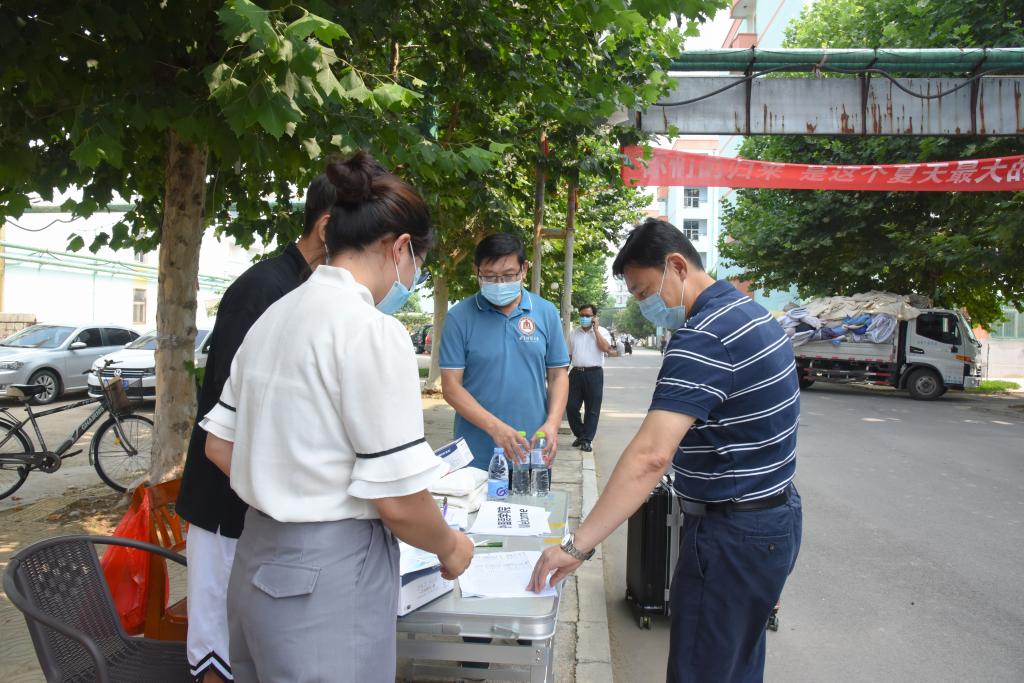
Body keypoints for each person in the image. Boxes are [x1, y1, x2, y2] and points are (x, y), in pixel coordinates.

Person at [200, 152, 474, 683]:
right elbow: (398, 502)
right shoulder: (371, 330)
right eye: (417, 263)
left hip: (255, 562)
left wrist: (288, 486)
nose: (413, 277)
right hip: (328, 582)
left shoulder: (275, 315)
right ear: (399, 248)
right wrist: (452, 546)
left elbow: (219, 446)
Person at [529, 218, 802, 683]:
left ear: (676, 266)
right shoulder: (753, 315)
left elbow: (651, 457)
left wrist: (577, 546)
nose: (645, 305)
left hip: (732, 535)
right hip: (773, 519)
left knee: (704, 670)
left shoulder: (705, 336)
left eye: (643, 292)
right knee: (736, 664)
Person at [175, 171, 347, 682]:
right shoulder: (264, 289)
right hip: (226, 504)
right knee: (219, 649)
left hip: (264, 504)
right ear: (327, 227)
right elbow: (228, 413)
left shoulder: (307, 289)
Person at [440, 233, 570, 470]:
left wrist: (552, 424)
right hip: (476, 456)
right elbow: (450, 387)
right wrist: (495, 428)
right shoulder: (459, 317)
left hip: (533, 451)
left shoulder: (546, 312)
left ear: (524, 269)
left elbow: (558, 375)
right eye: (489, 276)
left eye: (509, 275)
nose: (499, 283)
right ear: (476, 270)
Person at [566, 304, 612, 453]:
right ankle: (581, 434)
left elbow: (605, 349)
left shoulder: (602, 332)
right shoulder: (573, 333)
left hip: (594, 374)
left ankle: (586, 440)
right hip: (575, 373)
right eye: (581, 315)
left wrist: (596, 330)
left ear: (594, 317)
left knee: (592, 409)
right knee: (571, 406)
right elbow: (569, 355)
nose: (584, 318)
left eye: (587, 315)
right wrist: (563, 374)